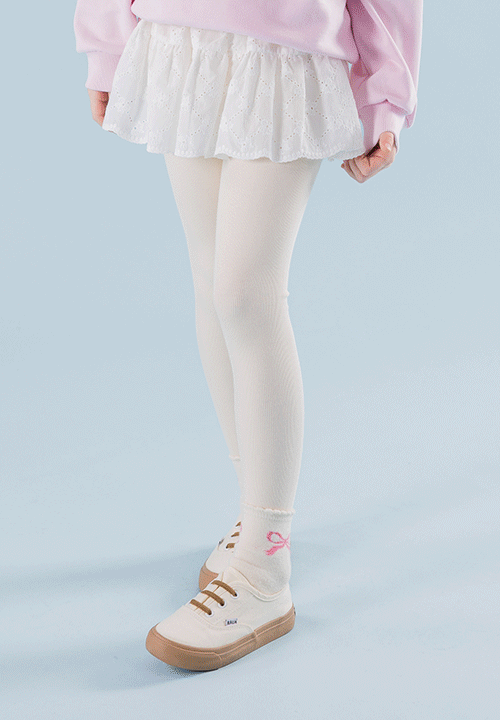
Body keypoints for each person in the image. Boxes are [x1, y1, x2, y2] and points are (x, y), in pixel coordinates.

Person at [74, 0, 423, 671]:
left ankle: (265, 571)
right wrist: (107, 42)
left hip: (287, 51)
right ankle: (256, 519)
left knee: (245, 293)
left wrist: (386, 94)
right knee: (212, 283)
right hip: (180, 40)